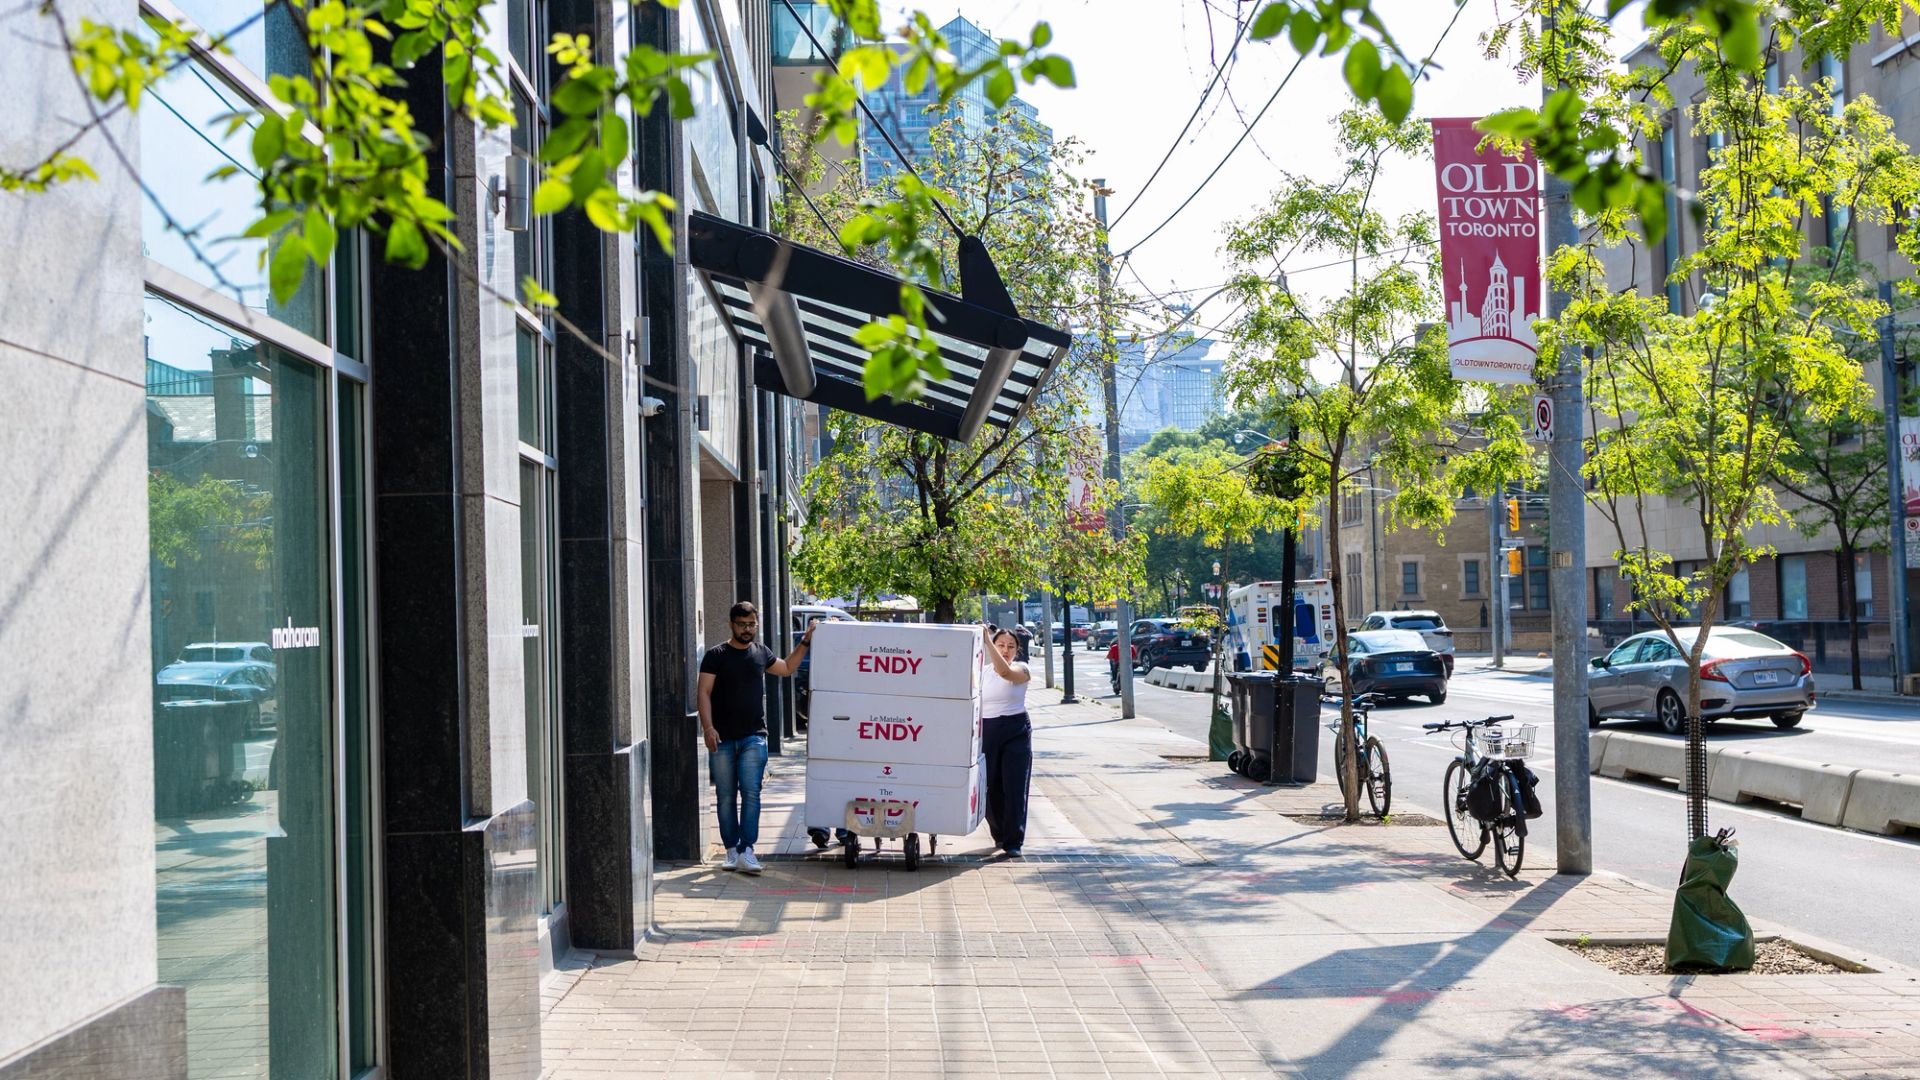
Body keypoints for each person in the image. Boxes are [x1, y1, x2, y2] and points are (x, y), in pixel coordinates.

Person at [698, 601, 813, 874]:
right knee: (726, 796)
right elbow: (703, 692)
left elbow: (786, 669)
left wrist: (805, 643)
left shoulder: (761, 653)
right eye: (742, 625)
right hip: (722, 738)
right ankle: (730, 850)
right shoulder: (716, 655)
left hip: (754, 737)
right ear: (731, 624)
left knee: (751, 794)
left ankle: (746, 850)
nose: (747, 630)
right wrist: (708, 727)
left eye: (751, 625)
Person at [980, 624, 1034, 856]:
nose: (1005, 650)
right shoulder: (981, 672)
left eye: (1011, 646)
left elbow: (1004, 672)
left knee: (1015, 786)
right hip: (988, 729)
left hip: (1015, 728)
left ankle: (1014, 841)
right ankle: (1000, 833)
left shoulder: (1021, 669)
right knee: (989, 786)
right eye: (1000, 644)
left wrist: (987, 641)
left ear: (1017, 650)